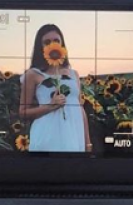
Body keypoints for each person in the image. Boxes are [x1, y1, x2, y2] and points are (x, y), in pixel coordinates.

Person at [20, 24, 91, 153]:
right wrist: (50, 106)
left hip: (74, 135)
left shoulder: (73, 74)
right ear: (40, 47)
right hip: (47, 136)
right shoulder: (33, 74)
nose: (52, 45)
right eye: (47, 42)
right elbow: (23, 112)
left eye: (56, 41)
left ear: (62, 44)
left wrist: (87, 143)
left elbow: (80, 109)